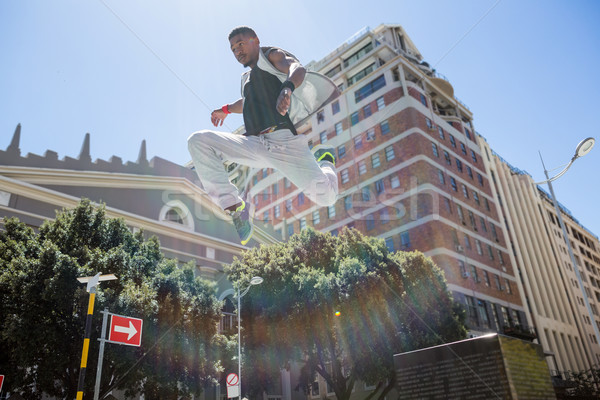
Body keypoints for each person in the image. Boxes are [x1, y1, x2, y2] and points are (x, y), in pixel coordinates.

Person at [188, 26, 340, 245]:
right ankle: (235, 207)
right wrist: (226, 109)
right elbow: (247, 103)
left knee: (327, 197)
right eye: (233, 49)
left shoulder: (271, 56)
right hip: (256, 144)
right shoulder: (246, 79)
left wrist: (287, 88)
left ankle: (325, 162)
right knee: (198, 141)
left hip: (285, 143)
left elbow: (297, 68)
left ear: (255, 40)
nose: (237, 51)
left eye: (240, 44)